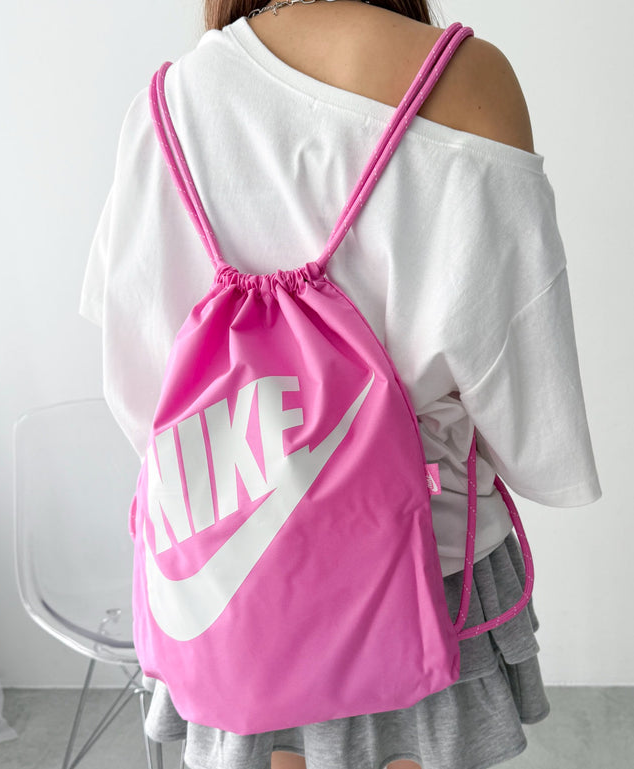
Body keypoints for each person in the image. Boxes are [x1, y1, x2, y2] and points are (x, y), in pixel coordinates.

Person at [80, 1, 602, 768]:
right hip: (422, 567)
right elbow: (532, 420)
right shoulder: (464, 78)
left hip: (229, 575)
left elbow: (139, 383)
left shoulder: (168, 100)